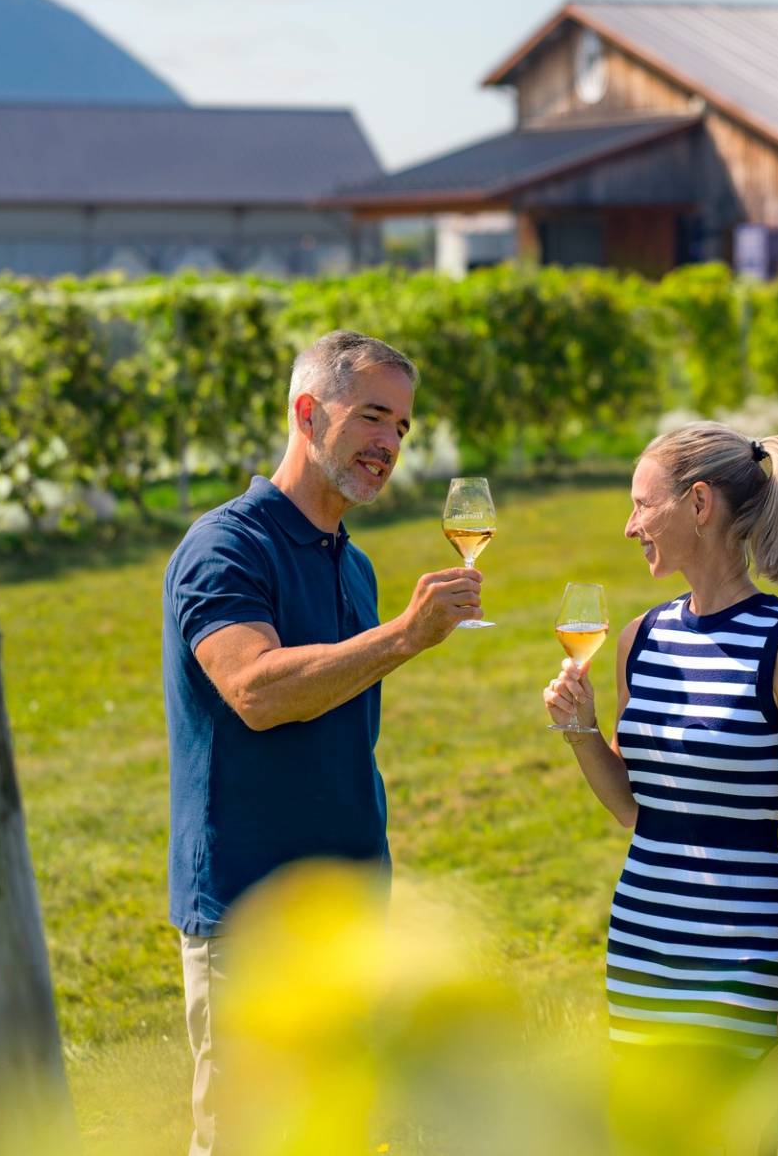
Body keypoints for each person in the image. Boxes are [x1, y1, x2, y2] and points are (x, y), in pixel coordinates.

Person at [162, 329, 483, 1156]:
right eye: (373, 416)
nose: (389, 444)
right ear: (308, 412)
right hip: (253, 917)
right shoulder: (227, 545)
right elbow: (256, 690)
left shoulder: (355, 564)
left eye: (403, 427)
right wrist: (404, 637)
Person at [543, 421, 778, 1148]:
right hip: (643, 941)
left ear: (698, 503)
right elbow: (633, 808)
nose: (629, 524)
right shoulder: (640, 638)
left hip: (741, 951)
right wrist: (581, 730)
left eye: (642, 504)